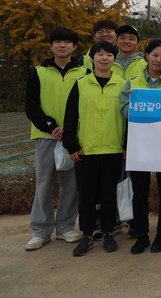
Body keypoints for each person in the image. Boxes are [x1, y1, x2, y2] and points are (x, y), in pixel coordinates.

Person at [63, 41, 127, 256]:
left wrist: (126, 145)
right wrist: (71, 145)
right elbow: (71, 117)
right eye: (100, 54)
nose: (104, 58)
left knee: (109, 194)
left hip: (112, 149)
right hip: (86, 150)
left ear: (114, 59)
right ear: (92, 58)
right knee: (87, 195)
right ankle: (87, 235)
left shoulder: (122, 84)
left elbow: (129, 118)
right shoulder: (81, 84)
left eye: (109, 55)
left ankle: (108, 232)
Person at [24, 27, 86, 251]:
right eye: (58, 41)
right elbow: (31, 107)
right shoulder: (38, 72)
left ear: (74, 46)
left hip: (73, 138)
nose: (62, 45)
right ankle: (41, 230)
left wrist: (69, 130)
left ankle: (65, 227)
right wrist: (51, 126)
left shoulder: (84, 72)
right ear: (51, 46)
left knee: (71, 184)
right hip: (46, 137)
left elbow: (87, 104)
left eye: (67, 42)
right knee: (44, 183)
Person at [119, 40, 161, 254]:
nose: (158, 60)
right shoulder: (132, 83)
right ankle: (141, 235)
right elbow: (123, 110)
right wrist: (135, 104)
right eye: (155, 55)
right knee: (139, 192)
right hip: (140, 145)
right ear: (146, 55)